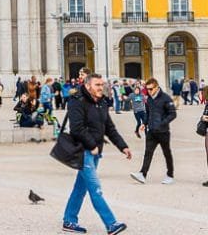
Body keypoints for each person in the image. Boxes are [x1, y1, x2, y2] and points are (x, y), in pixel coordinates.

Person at [60, 73, 131, 235]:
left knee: (80, 188)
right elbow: (77, 128)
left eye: (102, 84)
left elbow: (109, 128)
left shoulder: (102, 103)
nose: (101, 87)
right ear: (87, 86)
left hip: (95, 152)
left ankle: (69, 220)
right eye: (97, 85)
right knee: (95, 188)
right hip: (84, 151)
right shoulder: (76, 101)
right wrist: (91, 145)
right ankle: (111, 224)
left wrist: (123, 146)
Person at [130, 78, 176, 185]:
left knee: (167, 153)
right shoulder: (149, 99)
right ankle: (142, 174)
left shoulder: (166, 98)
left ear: (157, 87)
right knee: (148, 152)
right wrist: (144, 123)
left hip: (163, 132)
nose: (149, 91)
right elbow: (148, 113)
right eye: (147, 89)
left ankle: (170, 175)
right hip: (151, 131)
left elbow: (173, 114)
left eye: (151, 89)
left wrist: (162, 123)